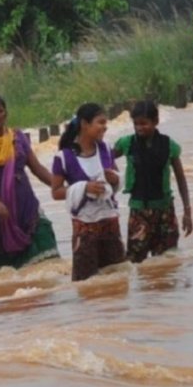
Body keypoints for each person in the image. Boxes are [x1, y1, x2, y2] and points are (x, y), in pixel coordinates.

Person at [0, 94, 60, 274]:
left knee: (46, 269)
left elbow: (37, 168)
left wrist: (62, 187)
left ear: (5, 114)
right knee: (4, 275)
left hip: (27, 208)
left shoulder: (18, 138)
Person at [51, 103, 125, 281]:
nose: (105, 127)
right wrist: (84, 187)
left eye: (105, 122)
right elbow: (56, 192)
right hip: (85, 228)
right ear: (85, 124)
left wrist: (114, 179)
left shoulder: (106, 149)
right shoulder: (63, 157)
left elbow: (117, 179)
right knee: (85, 283)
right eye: (100, 122)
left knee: (118, 279)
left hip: (110, 223)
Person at [113, 101, 193, 263]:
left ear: (155, 122)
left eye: (144, 123)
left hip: (164, 212)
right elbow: (102, 159)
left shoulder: (169, 145)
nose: (139, 128)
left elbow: (180, 179)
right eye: (136, 124)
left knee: (167, 262)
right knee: (135, 262)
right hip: (138, 212)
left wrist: (187, 211)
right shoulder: (127, 143)